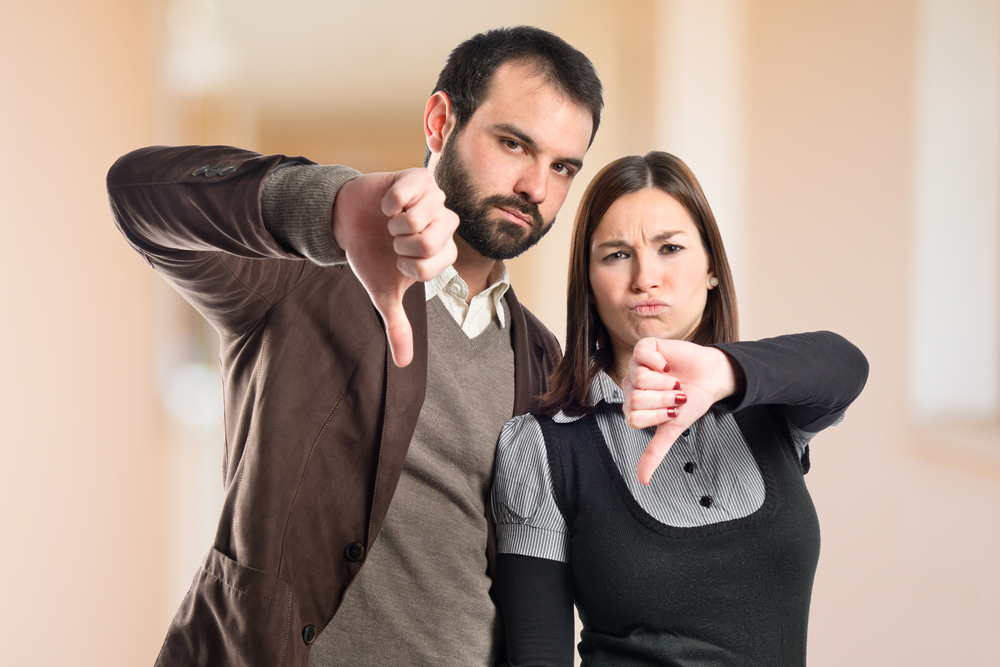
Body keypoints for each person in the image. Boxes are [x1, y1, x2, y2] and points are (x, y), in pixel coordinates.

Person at [106, 26, 603, 667]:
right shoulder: (307, 277)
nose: (537, 187)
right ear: (440, 120)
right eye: (514, 143)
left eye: (563, 167)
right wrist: (332, 206)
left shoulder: (542, 359)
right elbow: (137, 193)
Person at [491, 152, 869, 666]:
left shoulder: (768, 407)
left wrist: (723, 371)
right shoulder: (542, 444)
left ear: (711, 267)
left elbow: (845, 364)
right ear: (589, 282)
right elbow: (538, 656)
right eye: (616, 255)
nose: (645, 277)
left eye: (670, 248)